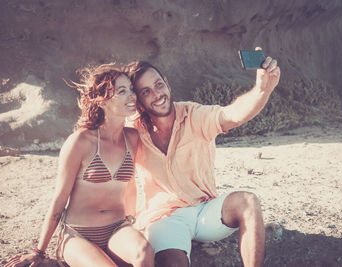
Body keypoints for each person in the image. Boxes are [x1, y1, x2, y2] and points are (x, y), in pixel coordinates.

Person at [126, 47, 280, 267]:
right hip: (164, 218)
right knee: (172, 262)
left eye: (159, 85)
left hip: (206, 211)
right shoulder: (133, 130)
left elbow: (232, 115)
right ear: (139, 101)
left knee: (248, 201)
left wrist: (262, 90)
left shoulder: (194, 114)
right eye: (146, 91)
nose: (157, 94)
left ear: (167, 84)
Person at [6, 64, 154, 267]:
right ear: (101, 101)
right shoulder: (81, 141)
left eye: (131, 89)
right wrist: (38, 251)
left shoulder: (133, 137)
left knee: (144, 252)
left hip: (117, 228)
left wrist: (132, 222)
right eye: (122, 91)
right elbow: (59, 200)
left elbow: (130, 186)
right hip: (78, 234)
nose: (132, 96)